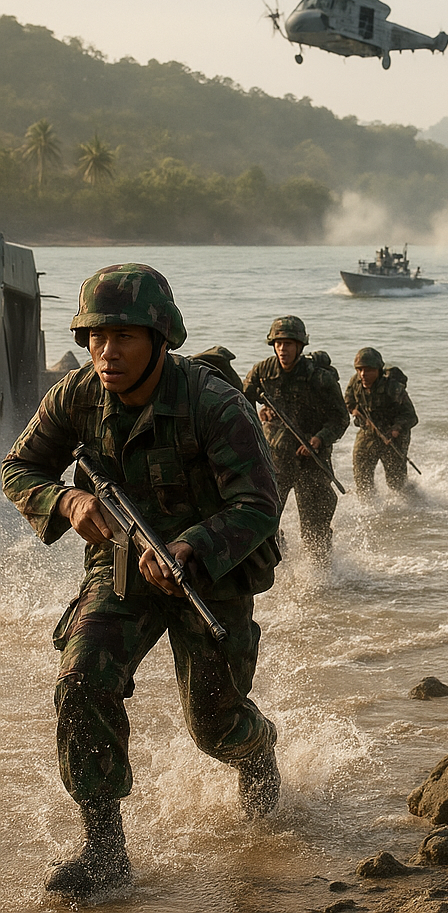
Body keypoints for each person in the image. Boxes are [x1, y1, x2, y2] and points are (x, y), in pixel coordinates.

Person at [1, 264, 282, 900]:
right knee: (81, 677)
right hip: (122, 562)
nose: (107, 351)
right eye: (96, 336)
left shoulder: (213, 403)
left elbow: (259, 503)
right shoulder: (74, 397)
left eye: (124, 336)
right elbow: (17, 468)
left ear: (160, 338)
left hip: (212, 571)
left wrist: (191, 546)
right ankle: (104, 846)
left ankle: (259, 752)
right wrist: (66, 504)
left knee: (216, 725)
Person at [242, 317, 349, 567]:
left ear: (300, 346)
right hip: (275, 459)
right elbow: (240, 403)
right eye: (279, 343)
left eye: (288, 344)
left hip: (312, 459)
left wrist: (319, 439)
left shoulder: (319, 378)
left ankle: (323, 577)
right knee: (265, 520)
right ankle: (280, 568)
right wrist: (259, 413)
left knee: (315, 529)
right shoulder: (262, 371)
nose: (283, 349)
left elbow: (340, 418)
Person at [343, 347, 419, 497]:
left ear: (378, 370)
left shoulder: (393, 387)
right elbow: (348, 401)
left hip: (393, 436)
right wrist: (354, 411)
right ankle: (368, 507)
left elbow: (410, 416)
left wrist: (396, 429)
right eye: (360, 369)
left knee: (396, 482)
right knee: (361, 476)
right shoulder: (356, 382)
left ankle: (411, 501)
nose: (363, 374)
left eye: (368, 370)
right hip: (368, 432)